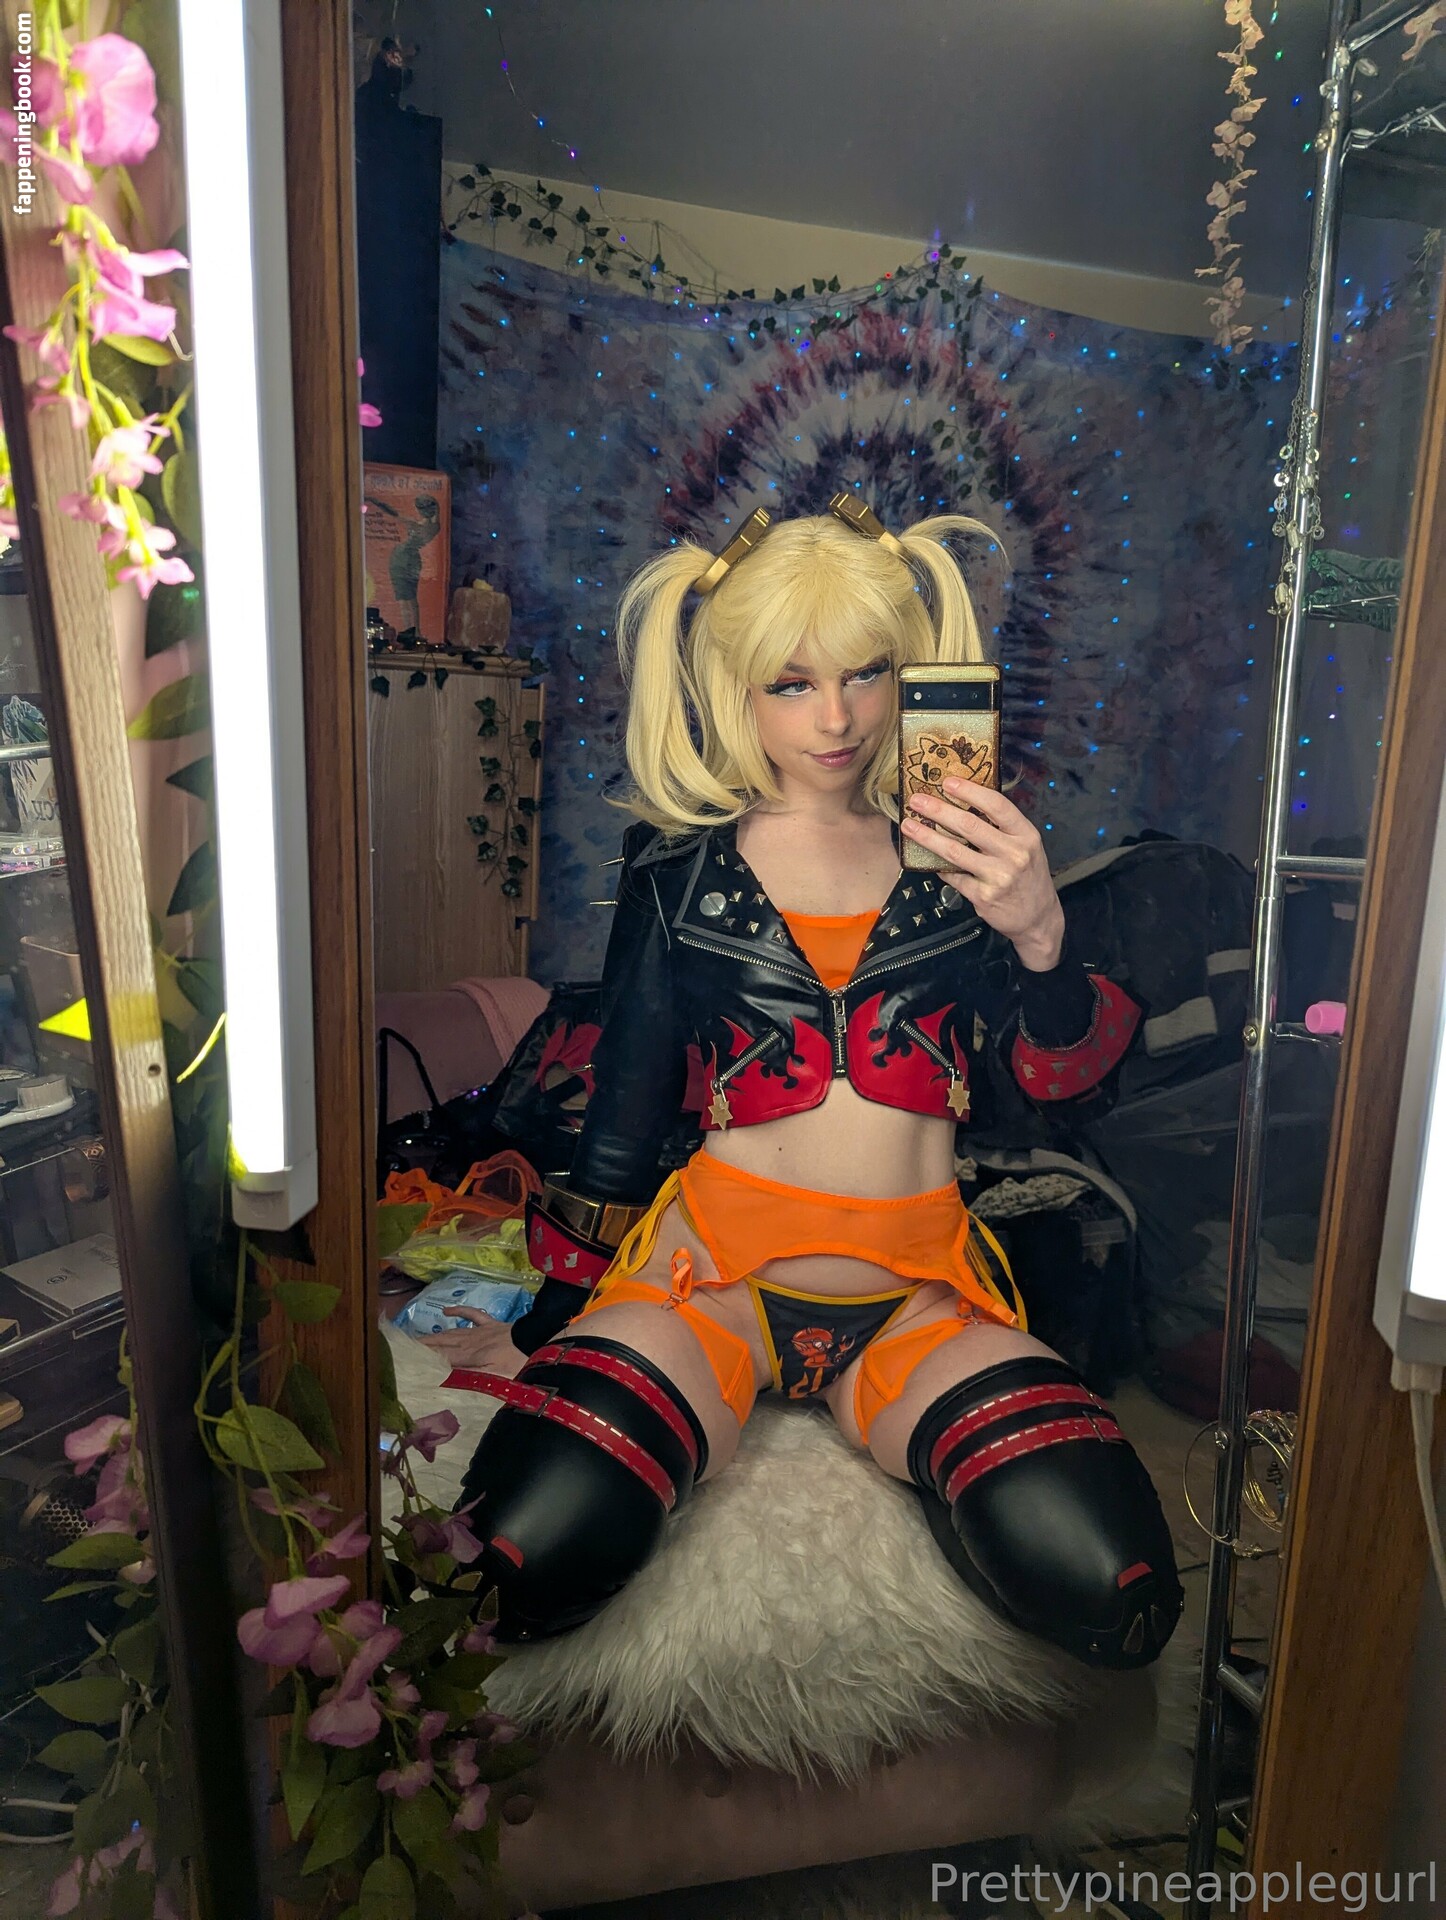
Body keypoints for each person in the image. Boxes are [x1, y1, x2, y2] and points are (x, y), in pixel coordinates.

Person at [432, 495, 1183, 1668]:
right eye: (790, 684)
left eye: (865, 674)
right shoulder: (676, 872)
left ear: (909, 672)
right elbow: (624, 1113)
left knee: (1107, 1573)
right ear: (735, 689)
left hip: (918, 1296)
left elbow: (1062, 1097)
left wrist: (1042, 934)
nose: (835, 718)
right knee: (524, 1550)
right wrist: (548, 1323)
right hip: (710, 1282)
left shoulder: (970, 860)